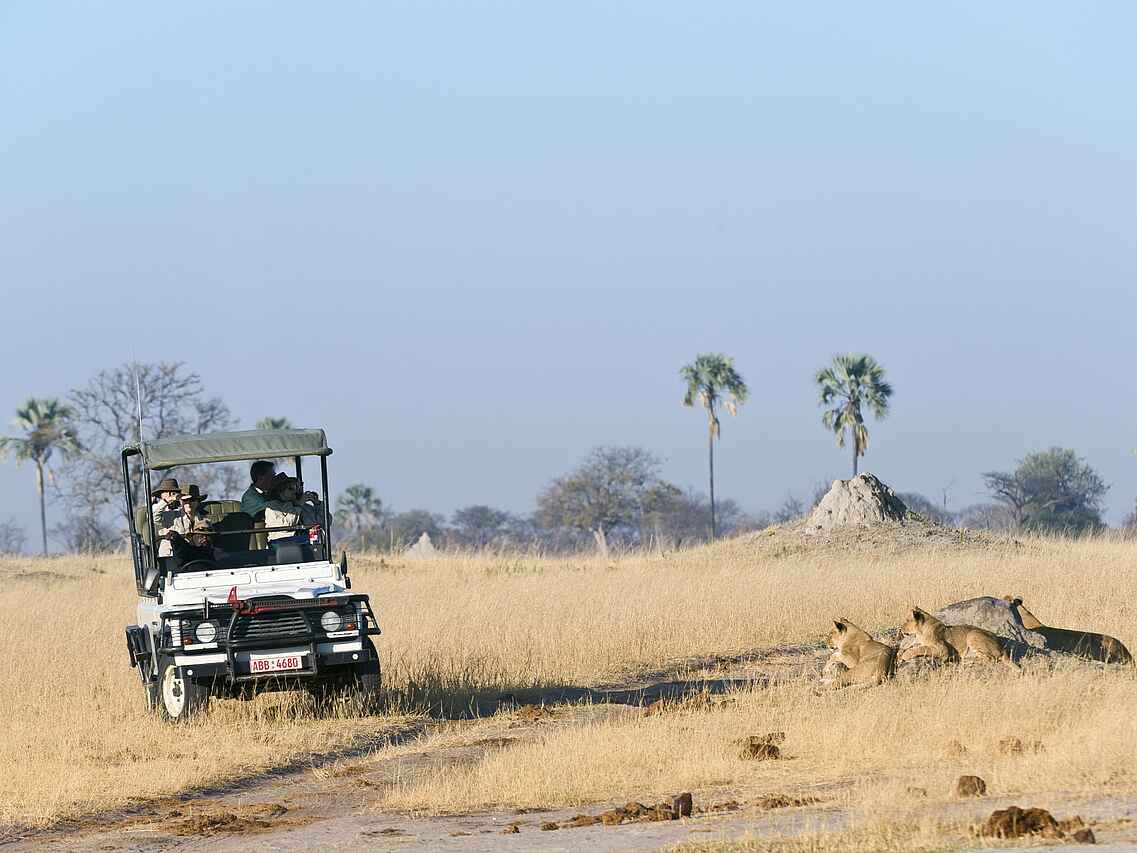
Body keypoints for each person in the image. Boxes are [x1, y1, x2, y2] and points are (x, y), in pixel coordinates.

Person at [264, 474, 323, 544]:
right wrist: (299, 504)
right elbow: (288, 525)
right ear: (280, 491)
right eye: (291, 488)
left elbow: (324, 521)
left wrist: (317, 503)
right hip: (282, 544)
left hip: (305, 542)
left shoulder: (301, 505)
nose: (295, 491)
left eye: (296, 488)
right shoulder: (272, 507)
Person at [157, 484, 208, 557]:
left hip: (194, 558)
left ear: (198, 502)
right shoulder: (170, 516)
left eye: (192, 500)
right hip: (171, 558)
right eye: (185, 500)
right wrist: (169, 499)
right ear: (180, 502)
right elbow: (152, 516)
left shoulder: (204, 521)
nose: (188, 503)